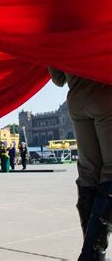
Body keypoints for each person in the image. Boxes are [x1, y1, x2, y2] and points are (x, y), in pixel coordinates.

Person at [48, 67, 112, 260]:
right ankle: (91, 253)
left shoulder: (55, 35)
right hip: (105, 96)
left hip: (76, 103)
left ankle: (93, 252)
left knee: (88, 173)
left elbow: (58, 80)